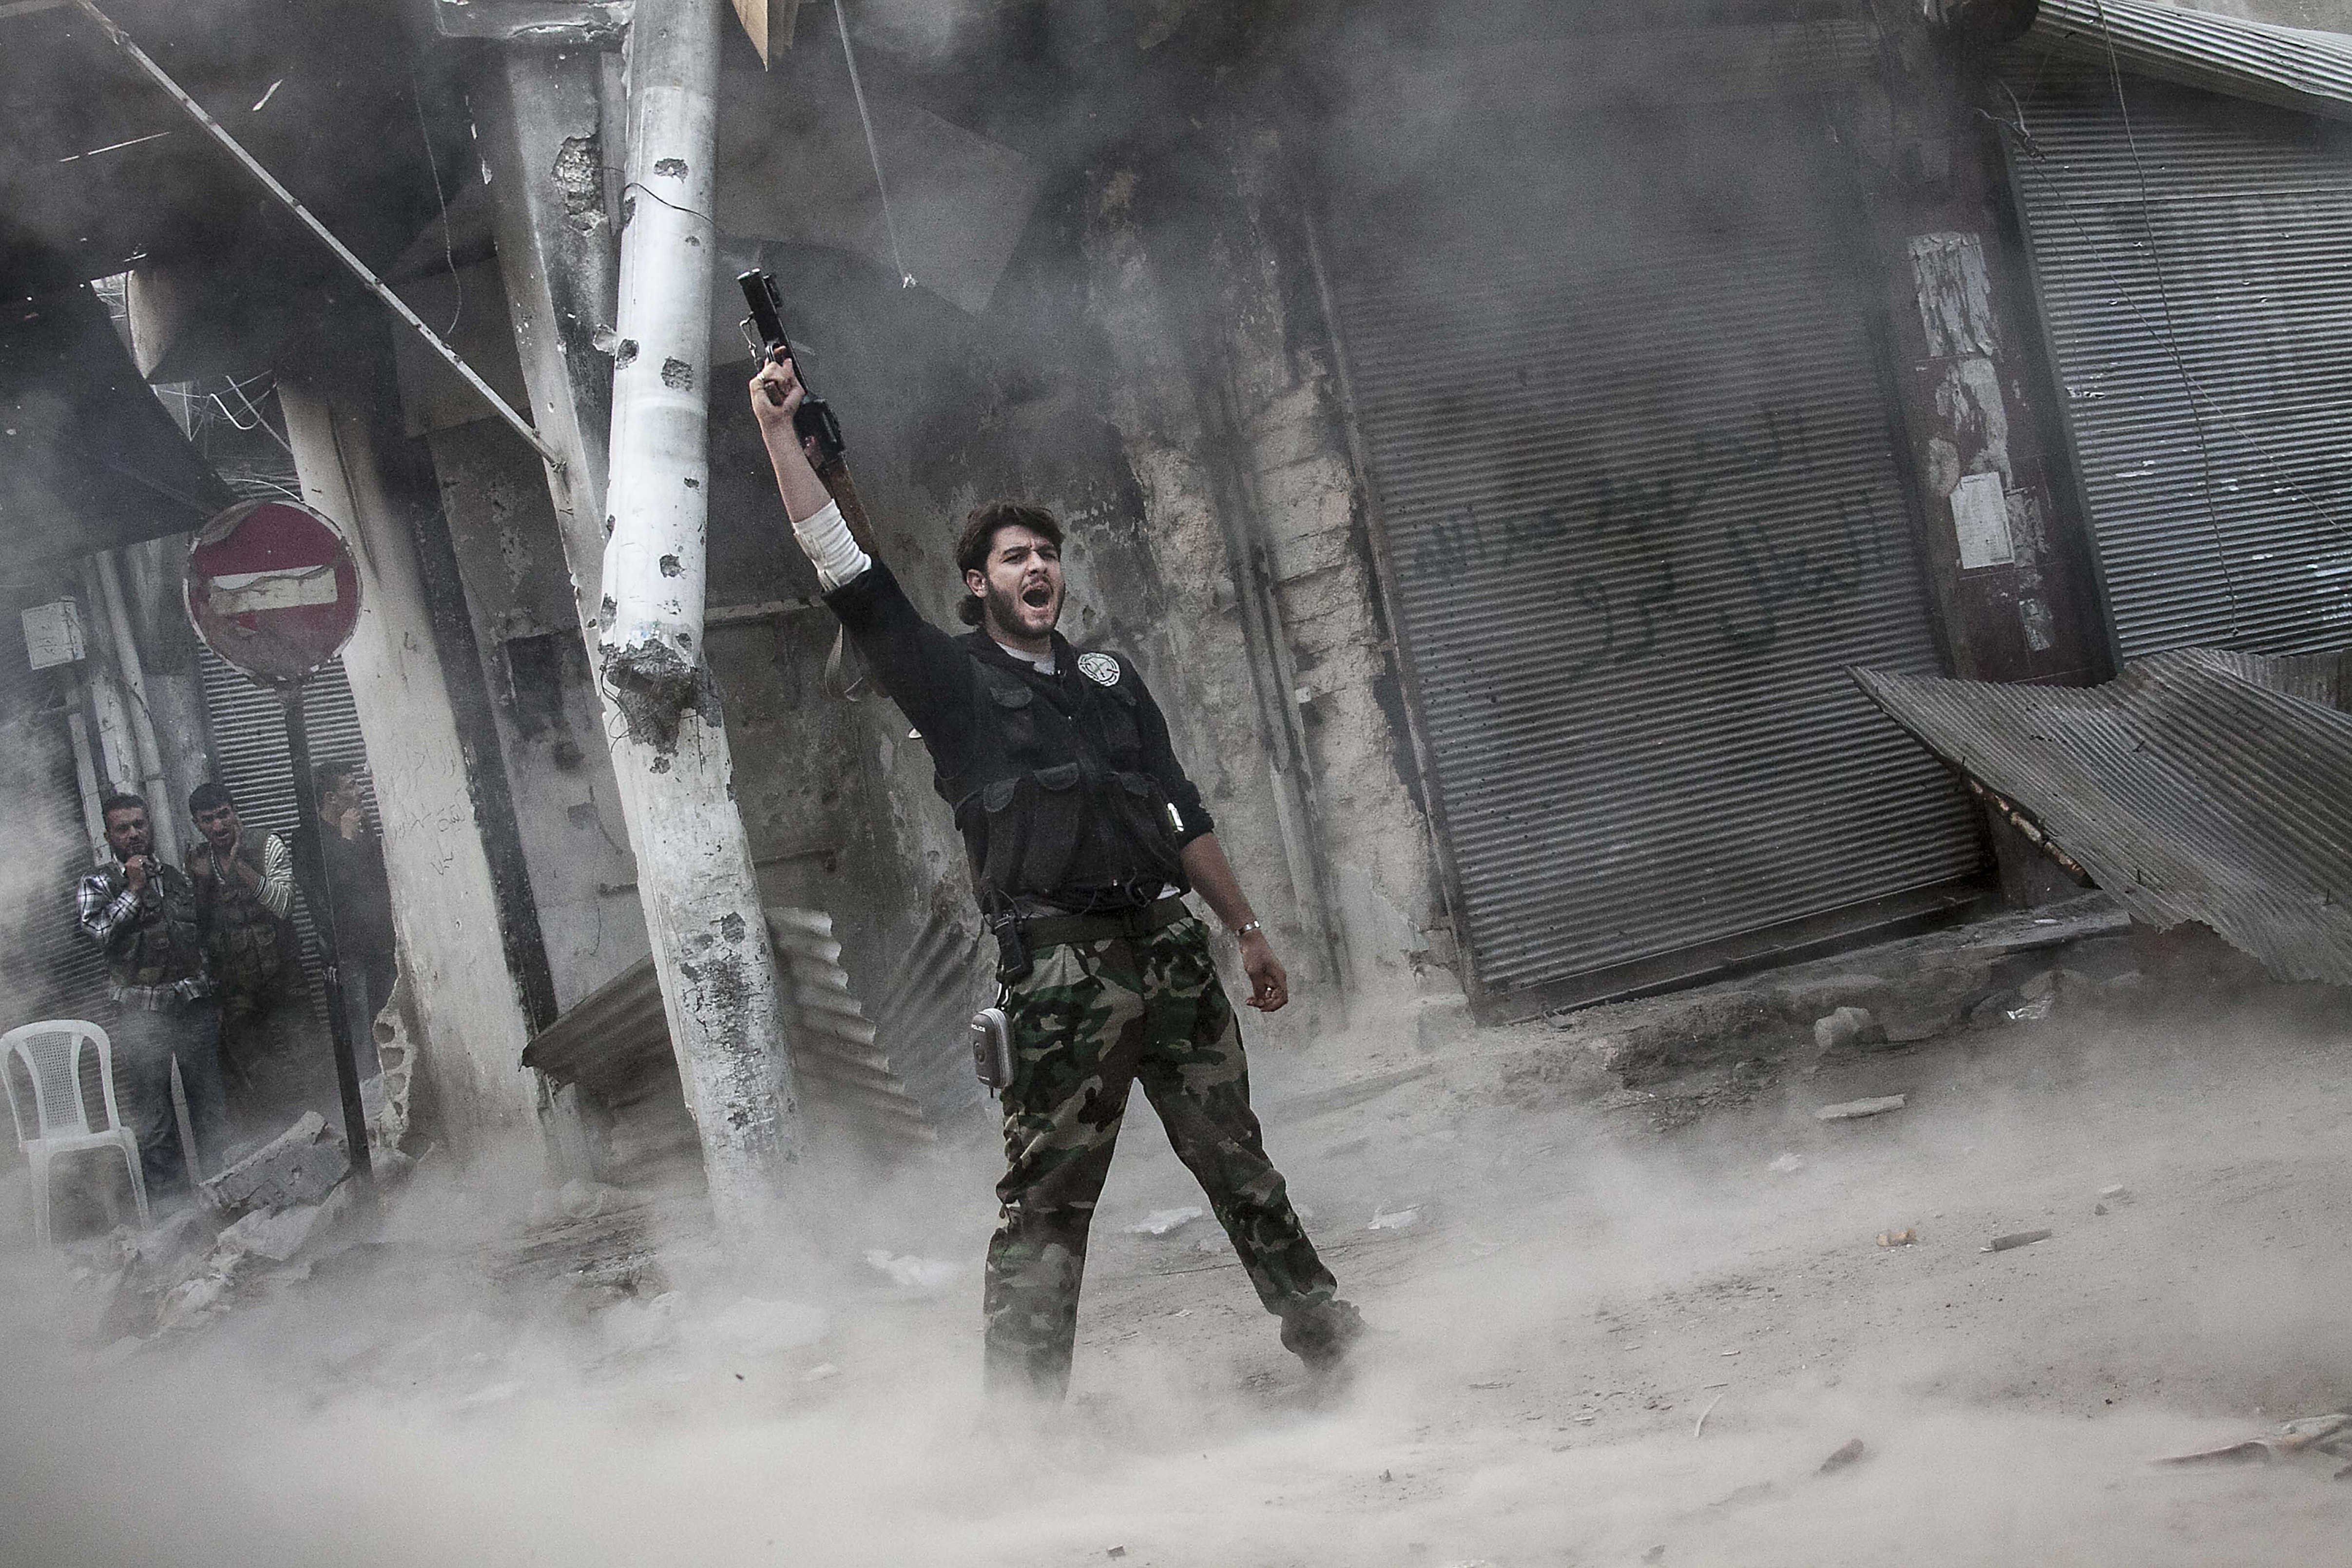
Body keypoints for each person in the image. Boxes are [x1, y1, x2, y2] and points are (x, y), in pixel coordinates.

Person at [750, 352, 1365, 1402]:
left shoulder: (1108, 681)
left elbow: (1180, 810)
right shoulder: (952, 686)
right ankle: (1024, 1427)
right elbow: (847, 573)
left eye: (1047, 554)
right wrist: (778, 434)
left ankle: (1330, 1339)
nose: (1037, 569)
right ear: (977, 583)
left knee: (1239, 1163)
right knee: (1045, 1208)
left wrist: (1245, 926)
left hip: (1169, 953)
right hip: (1061, 977)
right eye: (1013, 557)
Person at [75, 792, 231, 1196]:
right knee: (156, 1119)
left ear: (150, 827)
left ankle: (226, 1195)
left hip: (192, 1007)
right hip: (142, 1016)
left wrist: (210, 995)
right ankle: (173, 1214)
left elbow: (199, 939)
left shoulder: (176, 877)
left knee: (211, 1108)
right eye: (123, 828)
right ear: (109, 836)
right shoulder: (97, 883)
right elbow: (100, 932)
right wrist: (134, 886)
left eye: (140, 825)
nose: (134, 834)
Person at [186, 781, 312, 1112]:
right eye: (208, 819)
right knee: (261, 1089)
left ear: (235, 811)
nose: (218, 826)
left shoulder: (267, 844)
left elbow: (284, 905)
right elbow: (201, 933)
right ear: (197, 825)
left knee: (308, 1074)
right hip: (239, 998)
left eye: (224, 815)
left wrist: (241, 862)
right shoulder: (200, 864)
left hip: (285, 985)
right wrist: (200, 884)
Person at [296, 760, 397, 1042]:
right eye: (352, 786)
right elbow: (328, 895)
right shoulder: (306, 840)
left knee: (390, 1027)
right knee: (360, 1034)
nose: (362, 791)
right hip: (348, 953)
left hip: (380, 945)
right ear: (330, 798)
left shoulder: (362, 827)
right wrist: (346, 840)